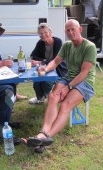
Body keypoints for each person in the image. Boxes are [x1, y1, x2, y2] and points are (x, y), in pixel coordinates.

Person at [23, 19, 97, 153]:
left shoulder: (89, 47)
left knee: (65, 105)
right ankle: (43, 132)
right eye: (67, 30)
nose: (70, 32)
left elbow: (84, 73)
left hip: (85, 82)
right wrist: (45, 69)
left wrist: (67, 88)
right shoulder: (67, 45)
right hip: (68, 77)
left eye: (73, 29)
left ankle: (46, 138)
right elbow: (55, 62)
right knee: (52, 96)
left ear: (80, 29)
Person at [28, 23, 67, 104]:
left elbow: (56, 60)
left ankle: (49, 97)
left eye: (45, 32)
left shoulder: (58, 42)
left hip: (58, 69)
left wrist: (40, 61)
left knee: (47, 82)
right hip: (43, 68)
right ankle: (40, 98)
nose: (43, 35)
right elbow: (33, 55)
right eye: (41, 33)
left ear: (50, 32)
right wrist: (44, 61)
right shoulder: (40, 43)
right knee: (37, 82)